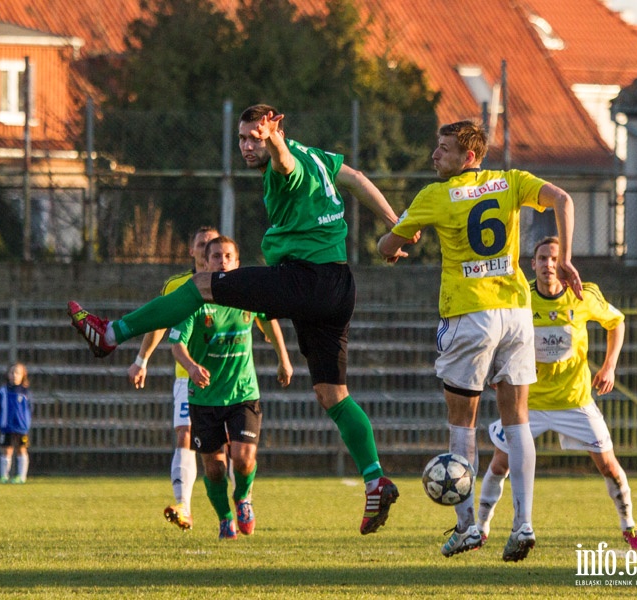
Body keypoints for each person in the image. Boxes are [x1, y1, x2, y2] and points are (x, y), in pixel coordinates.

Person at [69, 104, 405, 535]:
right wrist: (395, 224)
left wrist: (275, 140)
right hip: (339, 285)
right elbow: (356, 180)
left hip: (303, 277)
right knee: (331, 393)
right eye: (243, 138)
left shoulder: (291, 161)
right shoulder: (321, 157)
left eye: (255, 138)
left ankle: (110, 333)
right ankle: (375, 478)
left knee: (204, 283)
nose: (248, 146)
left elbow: (285, 163)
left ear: (274, 130)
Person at [377, 120, 583, 562]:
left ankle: (468, 526)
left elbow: (384, 245)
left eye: (445, 149)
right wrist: (564, 259)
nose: (435, 155)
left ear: (469, 157)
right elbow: (563, 199)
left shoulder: (434, 196)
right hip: (515, 312)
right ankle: (523, 522)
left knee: (462, 423)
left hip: (470, 315)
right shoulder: (510, 182)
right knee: (517, 421)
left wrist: (396, 243)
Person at [477, 236, 637, 550]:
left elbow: (617, 322)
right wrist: (496, 367)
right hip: (527, 404)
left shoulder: (582, 294)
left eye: (554, 259)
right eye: (542, 259)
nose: (548, 265)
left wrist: (609, 365)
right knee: (500, 463)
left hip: (575, 401)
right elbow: (499, 333)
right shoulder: (521, 297)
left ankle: (630, 527)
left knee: (608, 465)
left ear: (564, 262)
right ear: (533, 264)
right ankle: (480, 528)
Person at [170, 235, 292, 539]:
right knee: (214, 468)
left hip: (243, 393)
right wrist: (192, 367)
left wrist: (283, 359)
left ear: (236, 262)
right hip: (205, 396)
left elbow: (269, 321)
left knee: (243, 457)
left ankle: (242, 499)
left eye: (227, 256)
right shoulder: (196, 299)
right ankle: (225, 517)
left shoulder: (248, 295)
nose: (221, 261)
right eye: (216, 256)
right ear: (206, 261)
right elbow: (176, 344)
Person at [127, 225, 220, 531]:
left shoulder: (230, 283)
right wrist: (142, 359)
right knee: (184, 434)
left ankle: (235, 508)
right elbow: (159, 321)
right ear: (193, 251)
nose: (207, 249)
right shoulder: (177, 284)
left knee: (225, 448)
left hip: (227, 378)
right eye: (201, 243)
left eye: (213, 244)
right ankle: (184, 506)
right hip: (187, 376)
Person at [0, 362, 32, 484]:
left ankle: (21, 477)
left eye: (17, 373)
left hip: (21, 427)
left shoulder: (25, 392)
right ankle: (4, 476)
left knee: (22, 450)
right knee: (7, 450)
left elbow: (29, 408)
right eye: (12, 372)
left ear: (23, 376)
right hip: (7, 426)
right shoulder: (3, 391)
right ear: (8, 374)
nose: (14, 375)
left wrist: (25, 422)